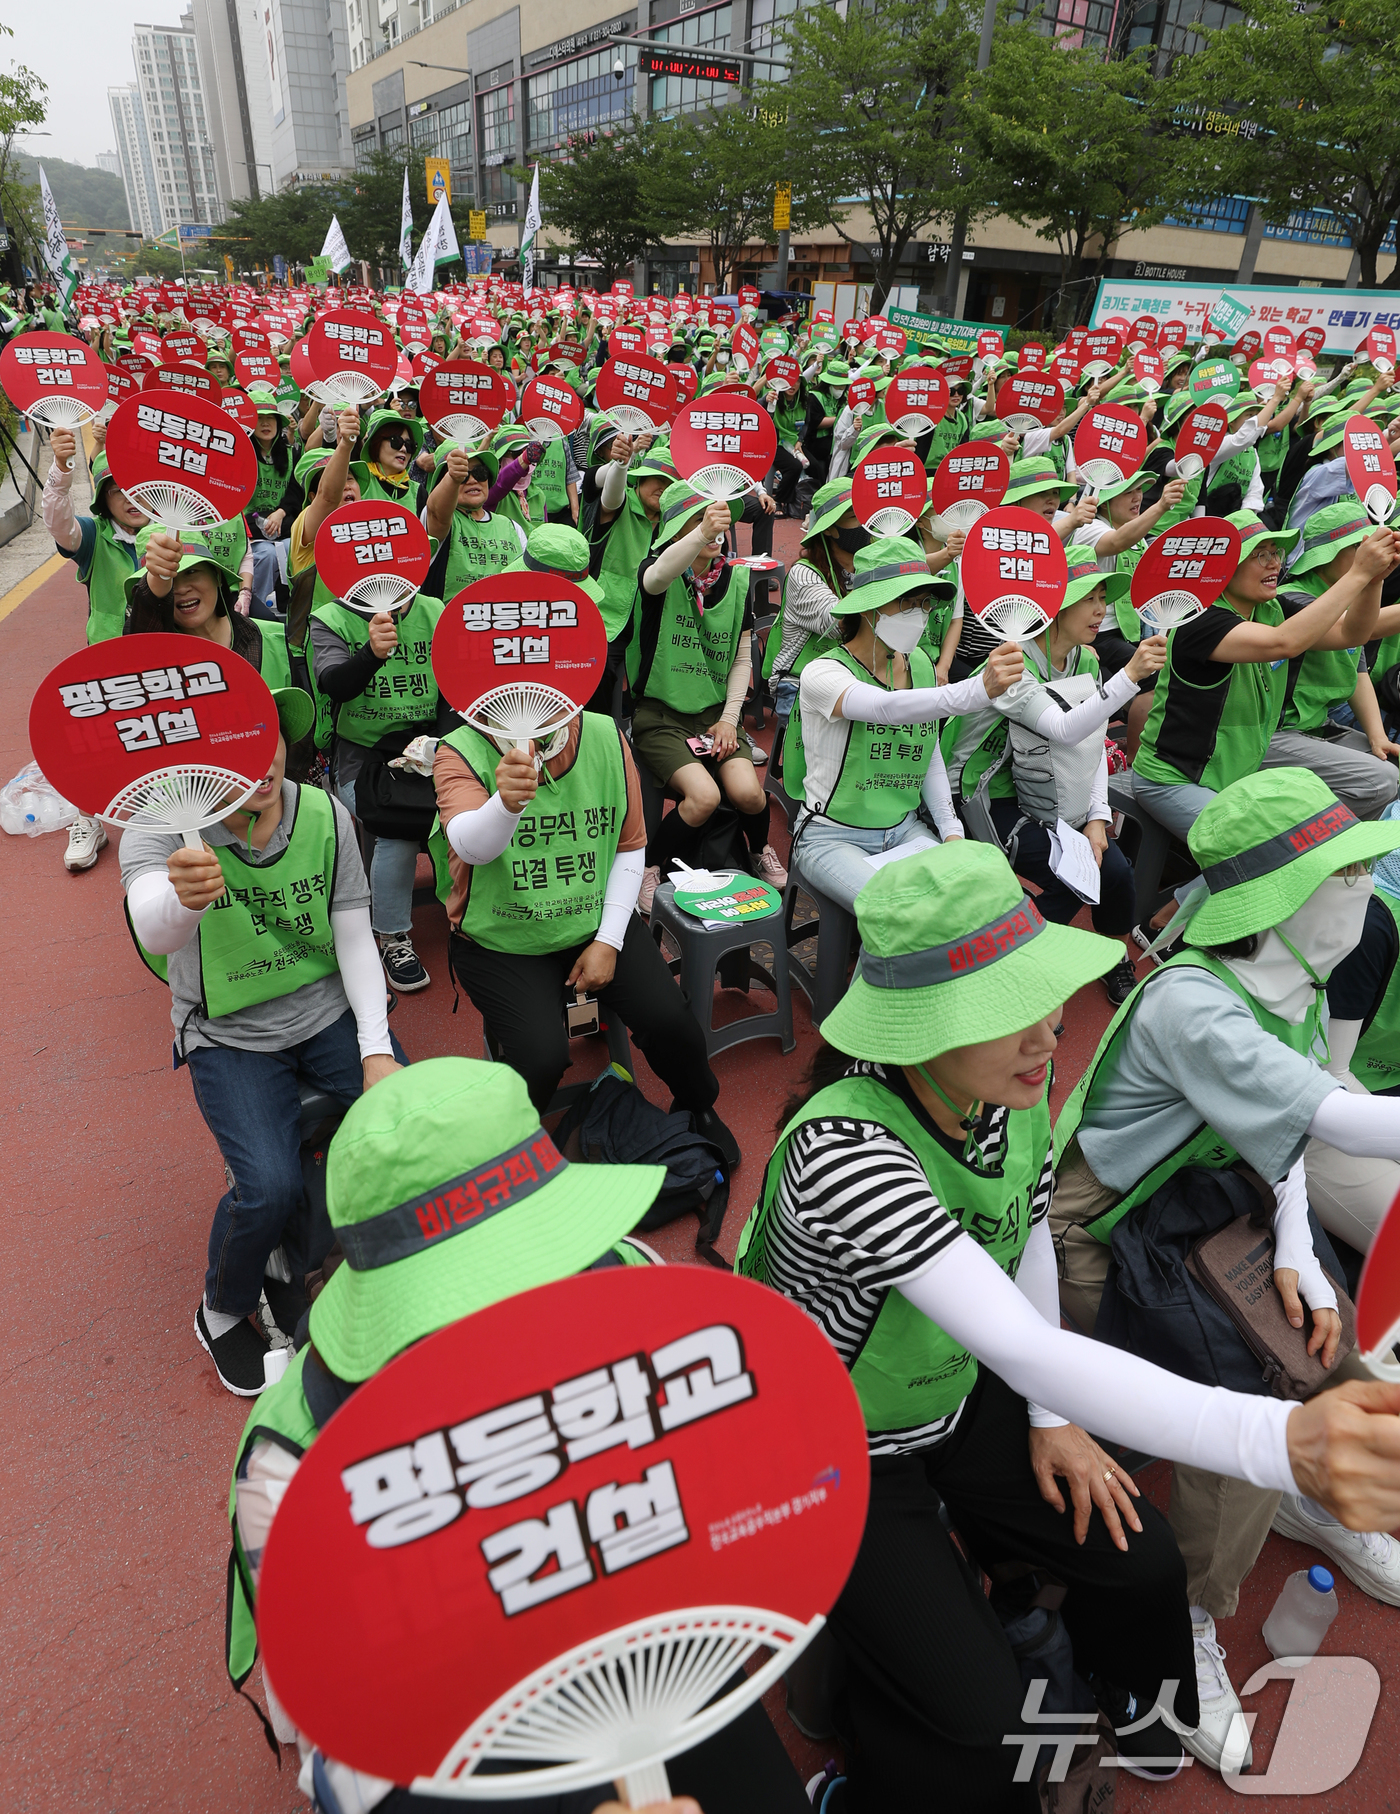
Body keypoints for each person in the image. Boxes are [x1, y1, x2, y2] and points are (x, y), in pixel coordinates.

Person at [736, 838, 1400, 1806]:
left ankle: (1105, 1687)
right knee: (982, 1730)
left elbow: (1031, 1232)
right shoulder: (845, 1148)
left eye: (1041, 992)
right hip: (839, 1446)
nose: (1049, 1030)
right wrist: (1281, 1436)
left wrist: (1050, 1419)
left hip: (949, 1390)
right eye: (1006, 1010)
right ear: (917, 1025)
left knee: (1139, 1560)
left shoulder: (1006, 1086)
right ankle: (863, 1781)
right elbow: (1014, 1339)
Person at [224, 1058, 807, 1813]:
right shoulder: (290, 1454)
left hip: (632, 1621)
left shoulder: (627, 1277)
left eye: (535, 1258)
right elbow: (339, 1693)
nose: (517, 1309)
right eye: (470, 1289)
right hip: (436, 1705)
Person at [1053, 768, 1400, 1753]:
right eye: (1343, 872)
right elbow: (1329, 1113)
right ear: (1280, 897)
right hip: (1102, 1231)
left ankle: (1313, 1498)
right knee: (1259, 1385)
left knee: (1335, 1336)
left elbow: (1281, 1130)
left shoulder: (1289, 972)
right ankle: (1194, 1616)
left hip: (1205, 1209)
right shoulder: (1193, 1006)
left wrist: (1294, 1246)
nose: (1366, 883)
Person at [120, 687, 407, 1395]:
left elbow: (353, 940)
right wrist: (181, 900)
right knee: (266, 1187)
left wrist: (376, 1048)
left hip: (325, 1011)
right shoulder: (158, 829)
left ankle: (367, 1260)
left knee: (406, 1126)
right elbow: (151, 929)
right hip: (226, 1033)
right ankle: (220, 1306)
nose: (259, 761)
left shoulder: (324, 813)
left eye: (266, 737)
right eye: (230, 751)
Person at [431, 700, 739, 1163]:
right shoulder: (458, 748)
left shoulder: (605, 735)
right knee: (539, 1057)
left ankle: (698, 1106)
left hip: (594, 919)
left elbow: (631, 847)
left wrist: (608, 941)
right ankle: (506, 1145)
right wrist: (505, 804)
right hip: (501, 939)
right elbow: (471, 847)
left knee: (673, 1025)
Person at [943, 550, 1169, 1002]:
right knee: (1071, 878)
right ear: (1056, 603)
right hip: (987, 794)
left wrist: (1098, 819)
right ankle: (1009, 961)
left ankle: (1112, 956)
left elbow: (1092, 746)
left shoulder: (1086, 660)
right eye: (1090, 596)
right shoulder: (1011, 660)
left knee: (1116, 871)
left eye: (1105, 596)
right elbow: (1066, 729)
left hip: (1054, 792)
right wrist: (1128, 676)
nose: (1101, 609)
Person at [1132, 514, 1397, 849]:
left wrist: (1372, 581)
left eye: (1276, 553)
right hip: (1176, 781)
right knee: (1273, 855)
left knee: (1309, 848)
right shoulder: (1199, 621)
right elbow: (1283, 643)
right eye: (1261, 555)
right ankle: (1184, 901)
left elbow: (1351, 633)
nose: (1274, 564)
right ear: (1224, 567)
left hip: (1237, 776)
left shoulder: (1272, 608)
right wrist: (1359, 572)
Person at [789, 535, 1021, 913]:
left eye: (924, 603)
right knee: (902, 912)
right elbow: (886, 708)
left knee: (975, 901)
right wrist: (977, 691)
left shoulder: (921, 666)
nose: (921, 613)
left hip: (904, 831)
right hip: (830, 837)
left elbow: (924, 753)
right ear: (870, 606)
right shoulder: (823, 672)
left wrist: (951, 832)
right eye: (907, 603)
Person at [631, 484, 786, 908]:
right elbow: (656, 576)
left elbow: (741, 662)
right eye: (701, 516)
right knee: (704, 797)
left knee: (751, 794)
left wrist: (729, 719)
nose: (715, 523)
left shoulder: (737, 579)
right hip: (660, 717)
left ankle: (758, 851)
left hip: (715, 716)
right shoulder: (657, 571)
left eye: (719, 516)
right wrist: (700, 533)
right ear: (675, 528)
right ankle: (651, 866)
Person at [310, 554, 446, 995]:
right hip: (362, 754)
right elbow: (336, 685)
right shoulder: (330, 618)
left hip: (429, 744)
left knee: (482, 800)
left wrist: (443, 746)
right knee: (397, 824)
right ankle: (391, 935)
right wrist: (371, 653)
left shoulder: (434, 611)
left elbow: (455, 687)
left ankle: (473, 908)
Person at [43, 424, 151, 872]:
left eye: (138, 489)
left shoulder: (172, 533)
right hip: (108, 664)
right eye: (116, 491)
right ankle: (89, 818)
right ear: (104, 501)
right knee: (97, 740)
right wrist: (62, 468)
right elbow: (58, 521)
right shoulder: (92, 539)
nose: (129, 499)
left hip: (168, 659)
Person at [1266, 500, 1400, 820]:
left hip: (1318, 727)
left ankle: (1352, 860)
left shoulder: (1350, 593)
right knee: (1380, 780)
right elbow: (1349, 631)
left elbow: (1358, 669)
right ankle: (1295, 841)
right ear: (1326, 556)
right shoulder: (1291, 598)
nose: (1369, 553)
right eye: (1358, 546)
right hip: (1277, 732)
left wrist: (1377, 736)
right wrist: (1369, 577)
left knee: (1390, 766)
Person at [125, 530, 292, 691]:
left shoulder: (276, 640)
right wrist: (158, 579)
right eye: (169, 580)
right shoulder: (156, 660)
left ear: (217, 576)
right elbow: (142, 643)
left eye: (191, 572)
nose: (182, 589)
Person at [421, 443, 526, 597]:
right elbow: (437, 511)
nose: (472, 480)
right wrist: (452, 477)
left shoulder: (512, 527)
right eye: (462, 476)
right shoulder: (438, 521)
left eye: (479, 472)